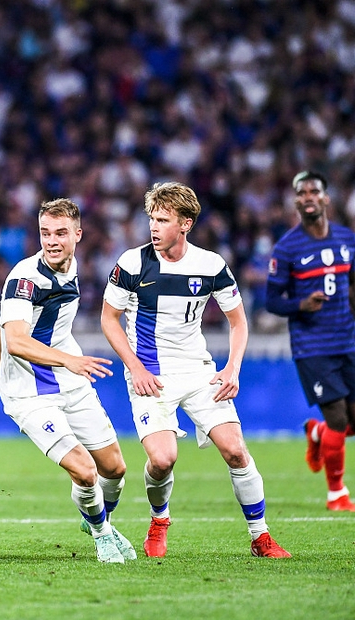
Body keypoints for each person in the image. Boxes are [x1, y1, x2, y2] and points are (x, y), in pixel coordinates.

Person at [100, 181, 290, 558]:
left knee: (236, 451)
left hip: (198, 371)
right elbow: (109, 318)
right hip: (150, 374)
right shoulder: (132, 263)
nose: (154, 227)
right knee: (162, 459)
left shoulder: (211, 265)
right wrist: (135, 367)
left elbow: (239, 322)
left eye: (163, 220)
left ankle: (260, 537)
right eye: (152, 219)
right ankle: (159, 520)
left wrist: (232, 368)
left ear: (185, 224)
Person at [0, 198, 135, 564]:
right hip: (29, 391)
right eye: (45, 233)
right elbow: (17, 339)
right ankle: (102, 534)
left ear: (78, 235)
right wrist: (66, 360)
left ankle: (94, 518)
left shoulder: (72, 267)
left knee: (115, 470)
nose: (52, 241)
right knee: (85, 471)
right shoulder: (25, 279)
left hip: (69, 382)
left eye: (60, 233)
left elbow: (14, 322)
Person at [265, 170, 355, 512]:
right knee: (338, 419)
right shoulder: (287, 248)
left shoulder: (347, 239)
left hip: (348, 340)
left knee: (349, 422)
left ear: (325, 198)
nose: (307, 197)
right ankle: (337, 494)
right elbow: (272, 301)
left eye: (313, 191)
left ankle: (316, 433)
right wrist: (300, 305)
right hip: (312, 345)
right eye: (301, 193)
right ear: (296, 202)